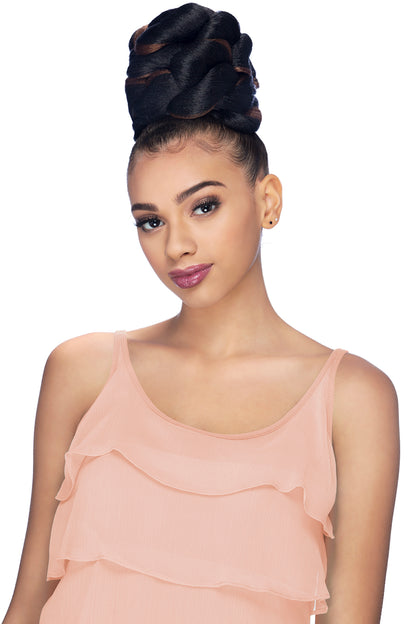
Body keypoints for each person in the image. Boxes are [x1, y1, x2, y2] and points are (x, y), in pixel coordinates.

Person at [2, 3, 400, 623]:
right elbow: (29, 601)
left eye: (204, 206)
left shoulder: (352, 400)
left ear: (267, 201)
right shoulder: (82, 372)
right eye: (150, 221)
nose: (176, 245)